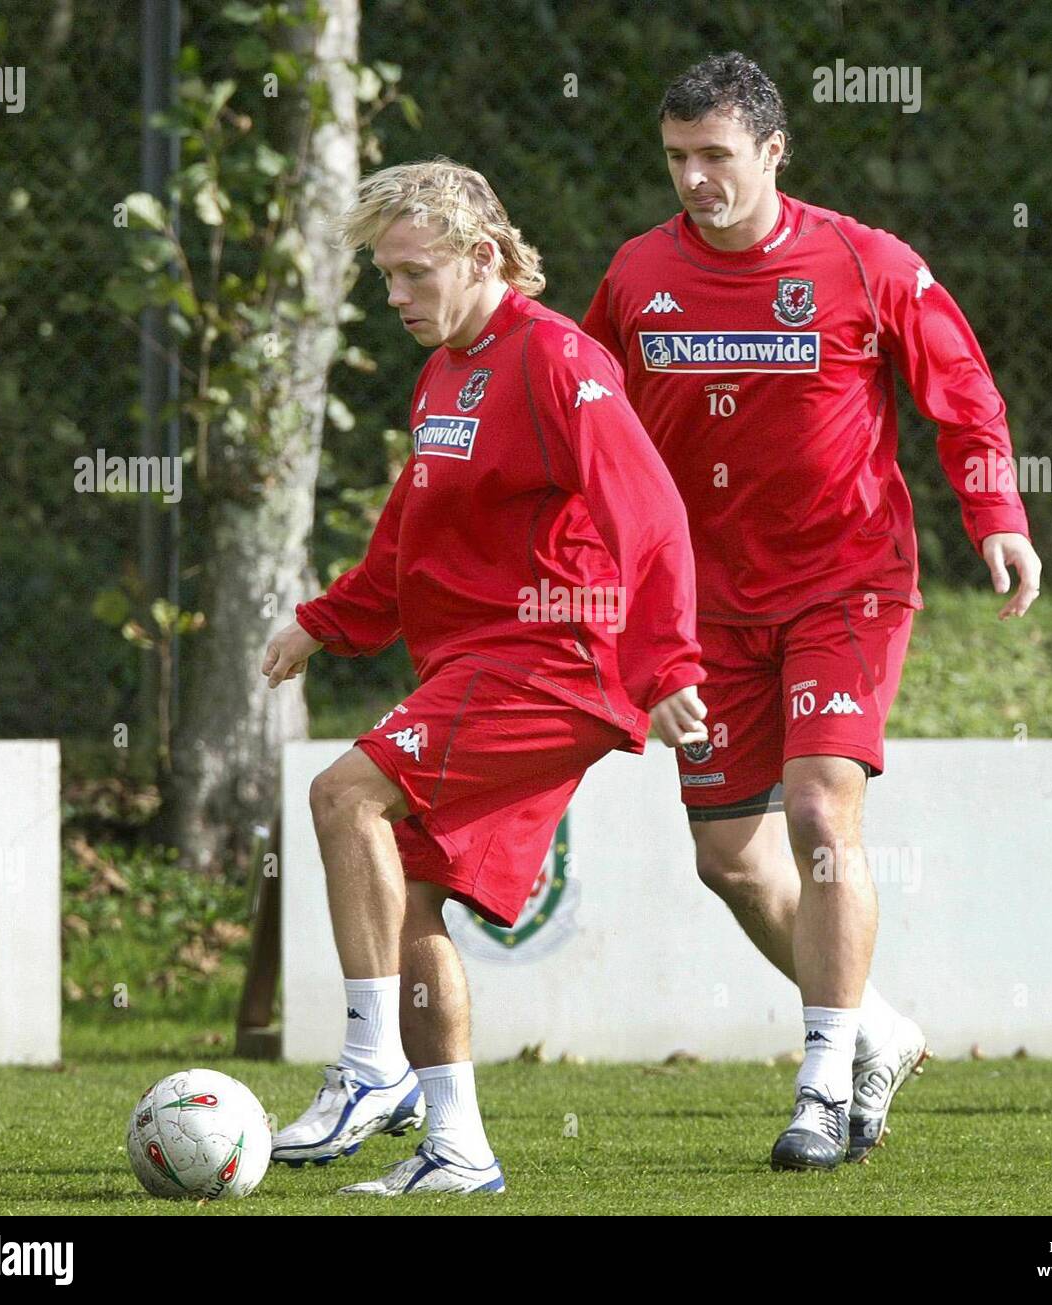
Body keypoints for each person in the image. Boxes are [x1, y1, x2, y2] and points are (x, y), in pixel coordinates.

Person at [582, 52, 1041, 1171]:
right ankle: (878, 1029)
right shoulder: (639, 276)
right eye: (678, 158)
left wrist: (995, 512)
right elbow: (591, 424)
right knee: (728, 860)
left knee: (820, 814)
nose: (696, 179)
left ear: (773, 152)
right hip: (703, 607)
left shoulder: (861, 261)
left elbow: (962, 388)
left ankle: (824, 1081)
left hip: (847, 583)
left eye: (717, 157)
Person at [261, 158, 708, 1196]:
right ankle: (457, 1146)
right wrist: (325, 624)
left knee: (342, 795)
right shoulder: (444, 373)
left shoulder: (558, 360)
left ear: (482, 256)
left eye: (413, 273)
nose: (397, 296)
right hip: (481, 666)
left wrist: (667, 663)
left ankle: (373, 1067)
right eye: (385, 277)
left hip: (551, 663)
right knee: (405, 894)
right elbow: (407, 537)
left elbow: (650, 514)